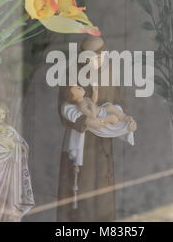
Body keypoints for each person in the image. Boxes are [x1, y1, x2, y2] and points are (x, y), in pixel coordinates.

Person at [57, 36, 135, 221]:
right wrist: (84, 121)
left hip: (103, 141)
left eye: (98, 56)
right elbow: (63, 107)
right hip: (81, 139)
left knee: (103, 187)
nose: (93, 61)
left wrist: (127, 120)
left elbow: (119, 103)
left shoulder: (112, 74)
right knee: (77, 186)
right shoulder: (71, 74)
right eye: (88, 56)